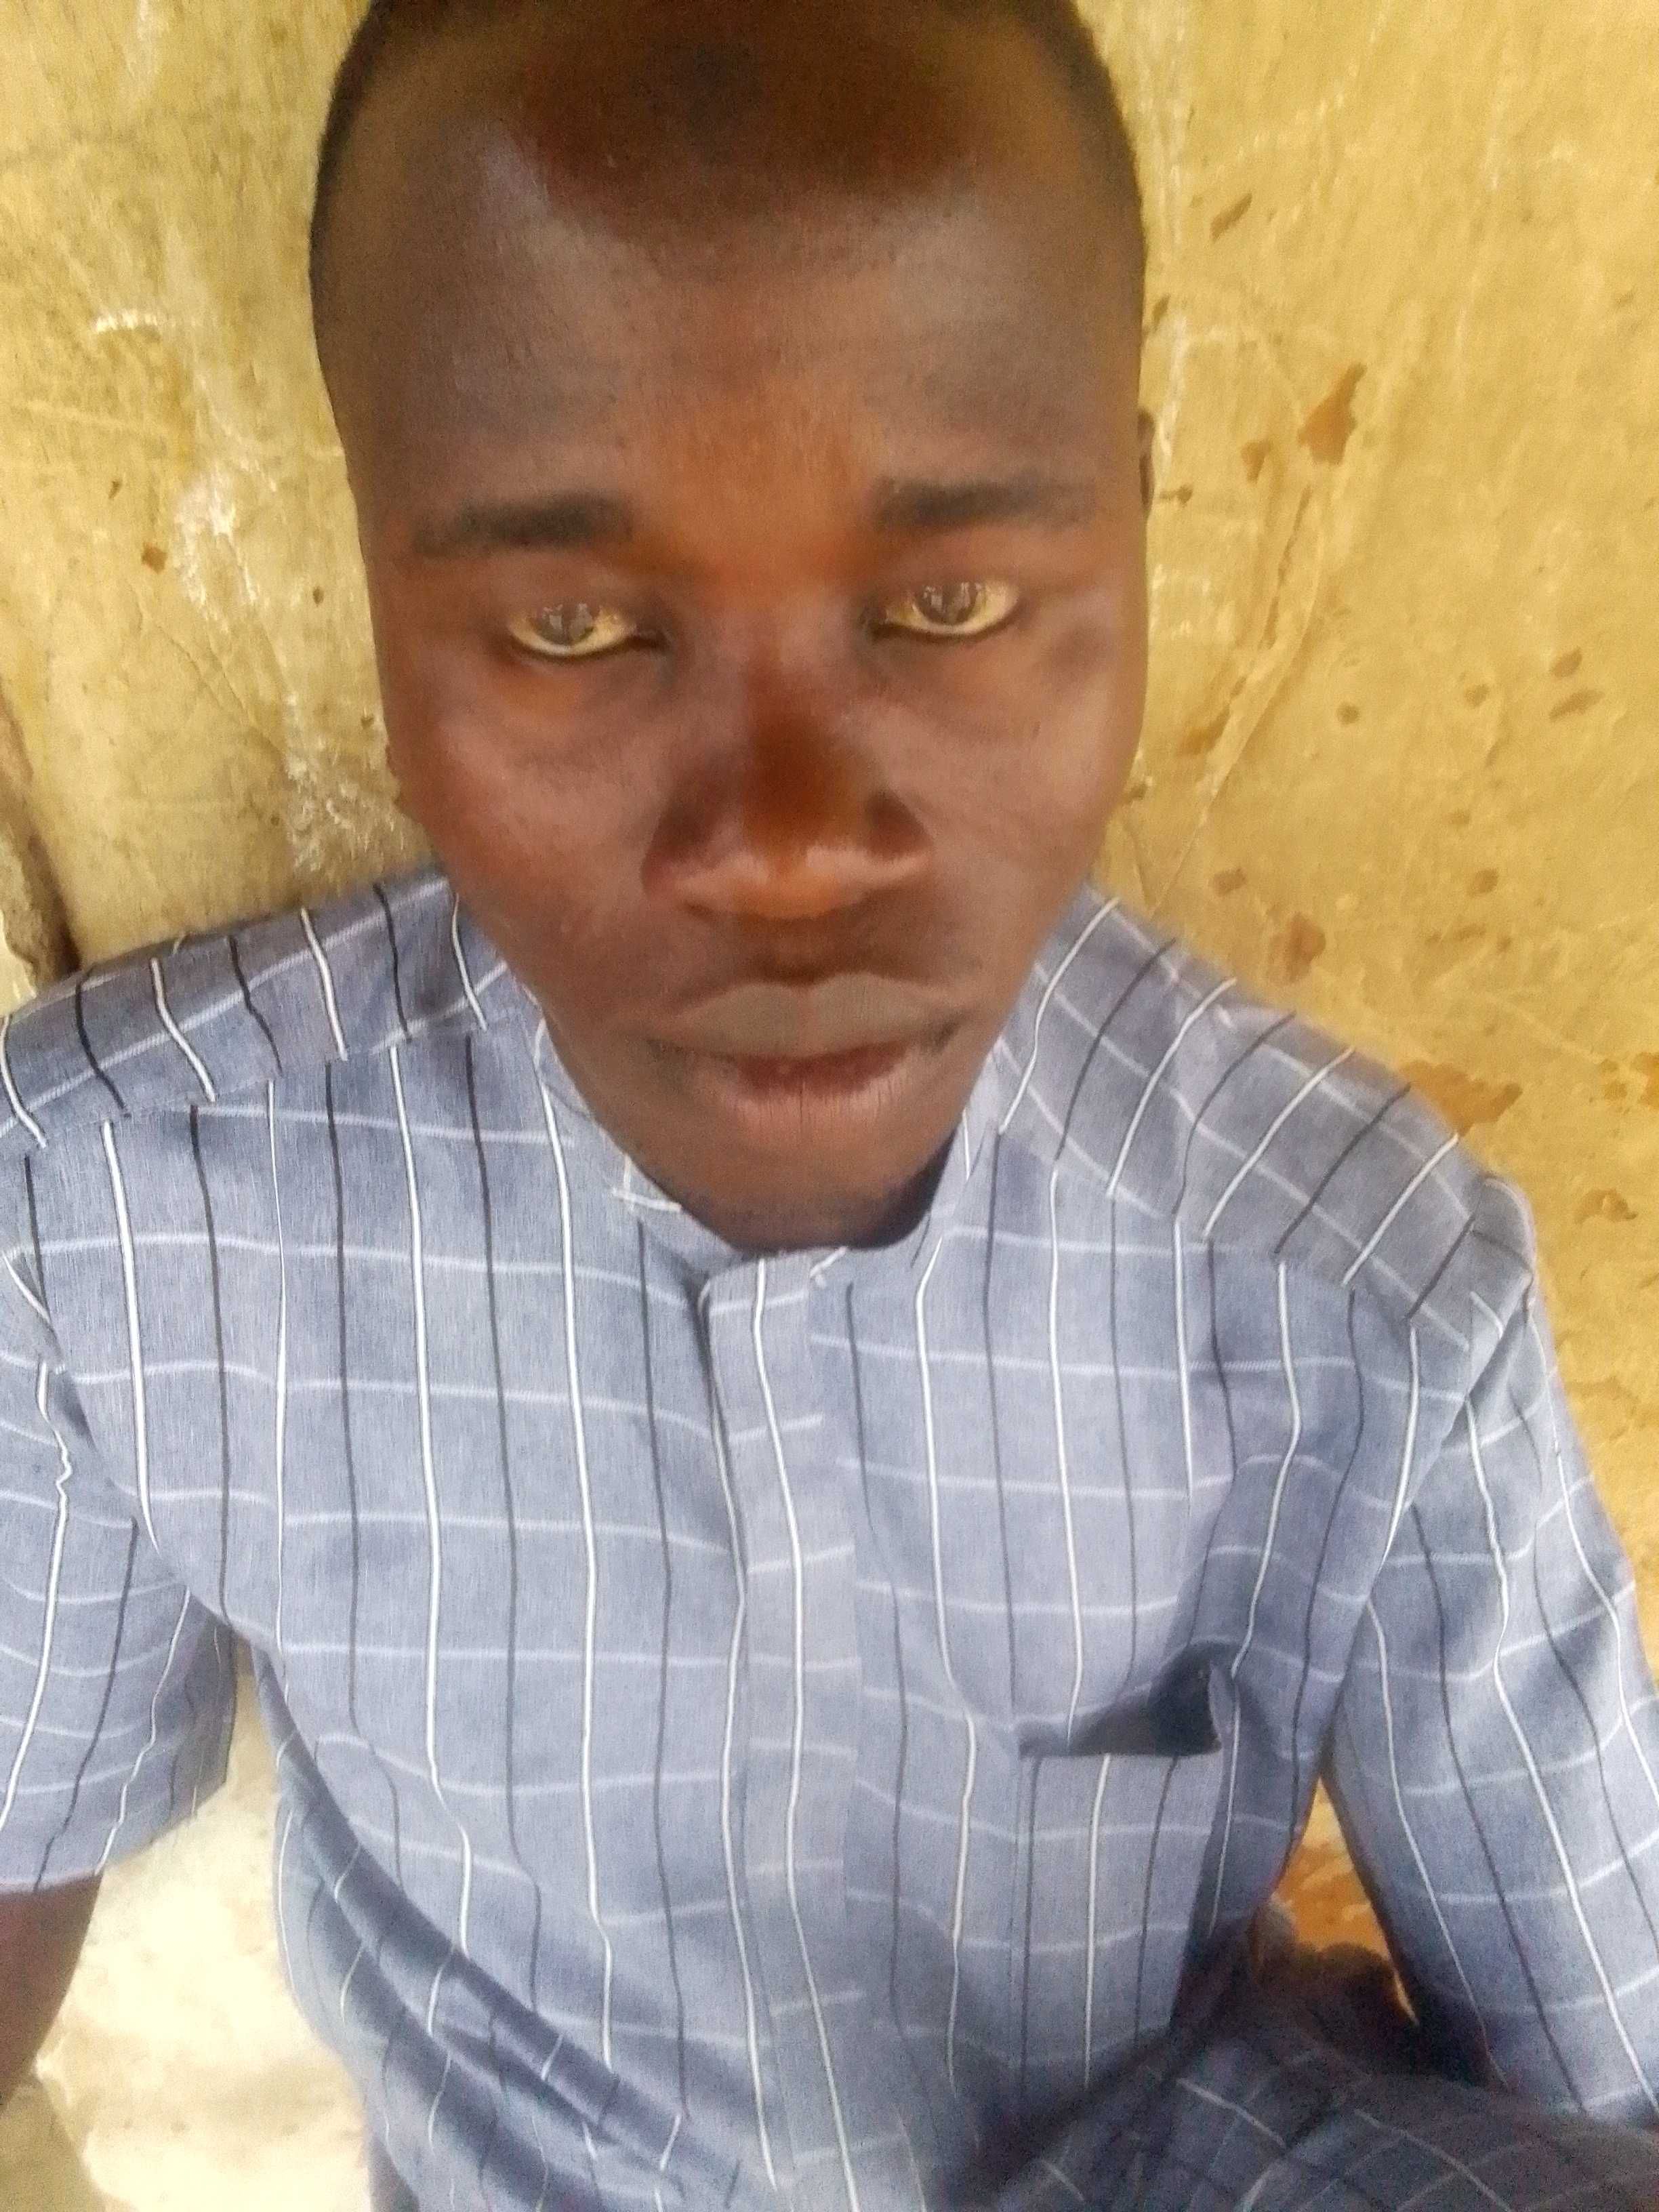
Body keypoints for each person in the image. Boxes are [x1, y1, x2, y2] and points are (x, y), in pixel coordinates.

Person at [1, 1, 1658, 2205]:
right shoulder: (116, 1217)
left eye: (949, 603)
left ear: (1136, 525)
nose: (786, 850)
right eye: (573, 629)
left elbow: (1615, 2091)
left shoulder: (1358, 1285)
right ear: (376, 576)